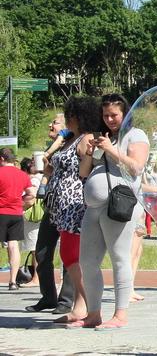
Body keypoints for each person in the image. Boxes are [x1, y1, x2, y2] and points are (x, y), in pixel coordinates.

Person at [77, 93, 149, 330]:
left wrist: (111, 149)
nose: (109, 119)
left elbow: (136, 167)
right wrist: (91, 152)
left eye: (114, 115)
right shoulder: (103, 136)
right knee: (87, 262)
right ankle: (93, 313)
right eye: (105, 115)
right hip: (93, 207)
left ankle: (120, 314)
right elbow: (84, 173)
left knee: (119, 259)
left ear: (125, 114)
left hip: (118, 205)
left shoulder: (135, 135)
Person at [45, 96, 100, 324]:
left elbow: (89, 168)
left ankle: (92, 306)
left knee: (70, 254)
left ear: (78, 117)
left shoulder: (85, 138)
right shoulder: (70, 139)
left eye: (70, 115)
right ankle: (80, 308)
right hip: (62, 205)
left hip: (75, 204)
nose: (67, 120)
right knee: (72, 255)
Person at [25, 114, 76, 314]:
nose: (50, 125)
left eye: (55, 122)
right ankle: (48, 297)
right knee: (42, 252)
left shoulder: (74, 144)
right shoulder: (57, 148)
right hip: (52, 205)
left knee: (69, 253)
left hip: (69, 206)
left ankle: (66, 300)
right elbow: (48, 172)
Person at [0, 148, 36, 291]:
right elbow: (32, 193)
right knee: (14, 245)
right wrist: (20, 201)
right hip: (16, 213)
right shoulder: (22, 175)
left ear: (2, 159)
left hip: (1, 212)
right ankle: (13, 281)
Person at [19, 158, 43, 287]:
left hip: (33, 218)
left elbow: (31, 199)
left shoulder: (34, 180)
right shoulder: (41, 177)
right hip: (38, 217)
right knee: (35, 248)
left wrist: (19, 206)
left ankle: (36, 278)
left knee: (34, 248)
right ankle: (36, 277)